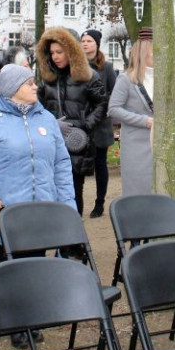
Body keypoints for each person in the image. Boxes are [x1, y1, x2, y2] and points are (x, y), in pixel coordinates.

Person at [0, 63, 76, 260]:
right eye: (29, 83)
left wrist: (68, 202)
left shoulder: (47, 119)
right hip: (8, 214)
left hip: (43, 212)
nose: (35, 87)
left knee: (39, 265)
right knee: (12, 270)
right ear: (12, 88)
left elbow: (61, 163)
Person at [35, 27, 106, 216]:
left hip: (77, 143)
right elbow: (37, 106)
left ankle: (74, 232)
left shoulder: (89, 76)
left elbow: (102, 104)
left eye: (59, 52)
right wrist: (48, 124)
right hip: (51, 141)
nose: (55, 57)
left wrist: (85, 125)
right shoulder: (47, 78)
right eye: (52, 53)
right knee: (51, 191)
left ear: (71, 51)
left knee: (73, 191)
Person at [107, 30, 155, 198]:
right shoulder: (126, 79)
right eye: (154, 50)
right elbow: (113, 109)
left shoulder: (166, 78)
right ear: (144, 52)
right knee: (138, 191)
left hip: (160, 144)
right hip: (136, 145)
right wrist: (144, 121)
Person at [81, 29, 116, 218]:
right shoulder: (75, 65)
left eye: (89, 41)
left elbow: (114, 93)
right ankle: (76, 204)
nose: (85, 44)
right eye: (83, 41)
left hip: (100, 123)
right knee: (78, 165)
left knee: (100, 164)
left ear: (97, 44)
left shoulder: (107, 67)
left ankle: (99, 203)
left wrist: (100, 107)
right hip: (80, 122)